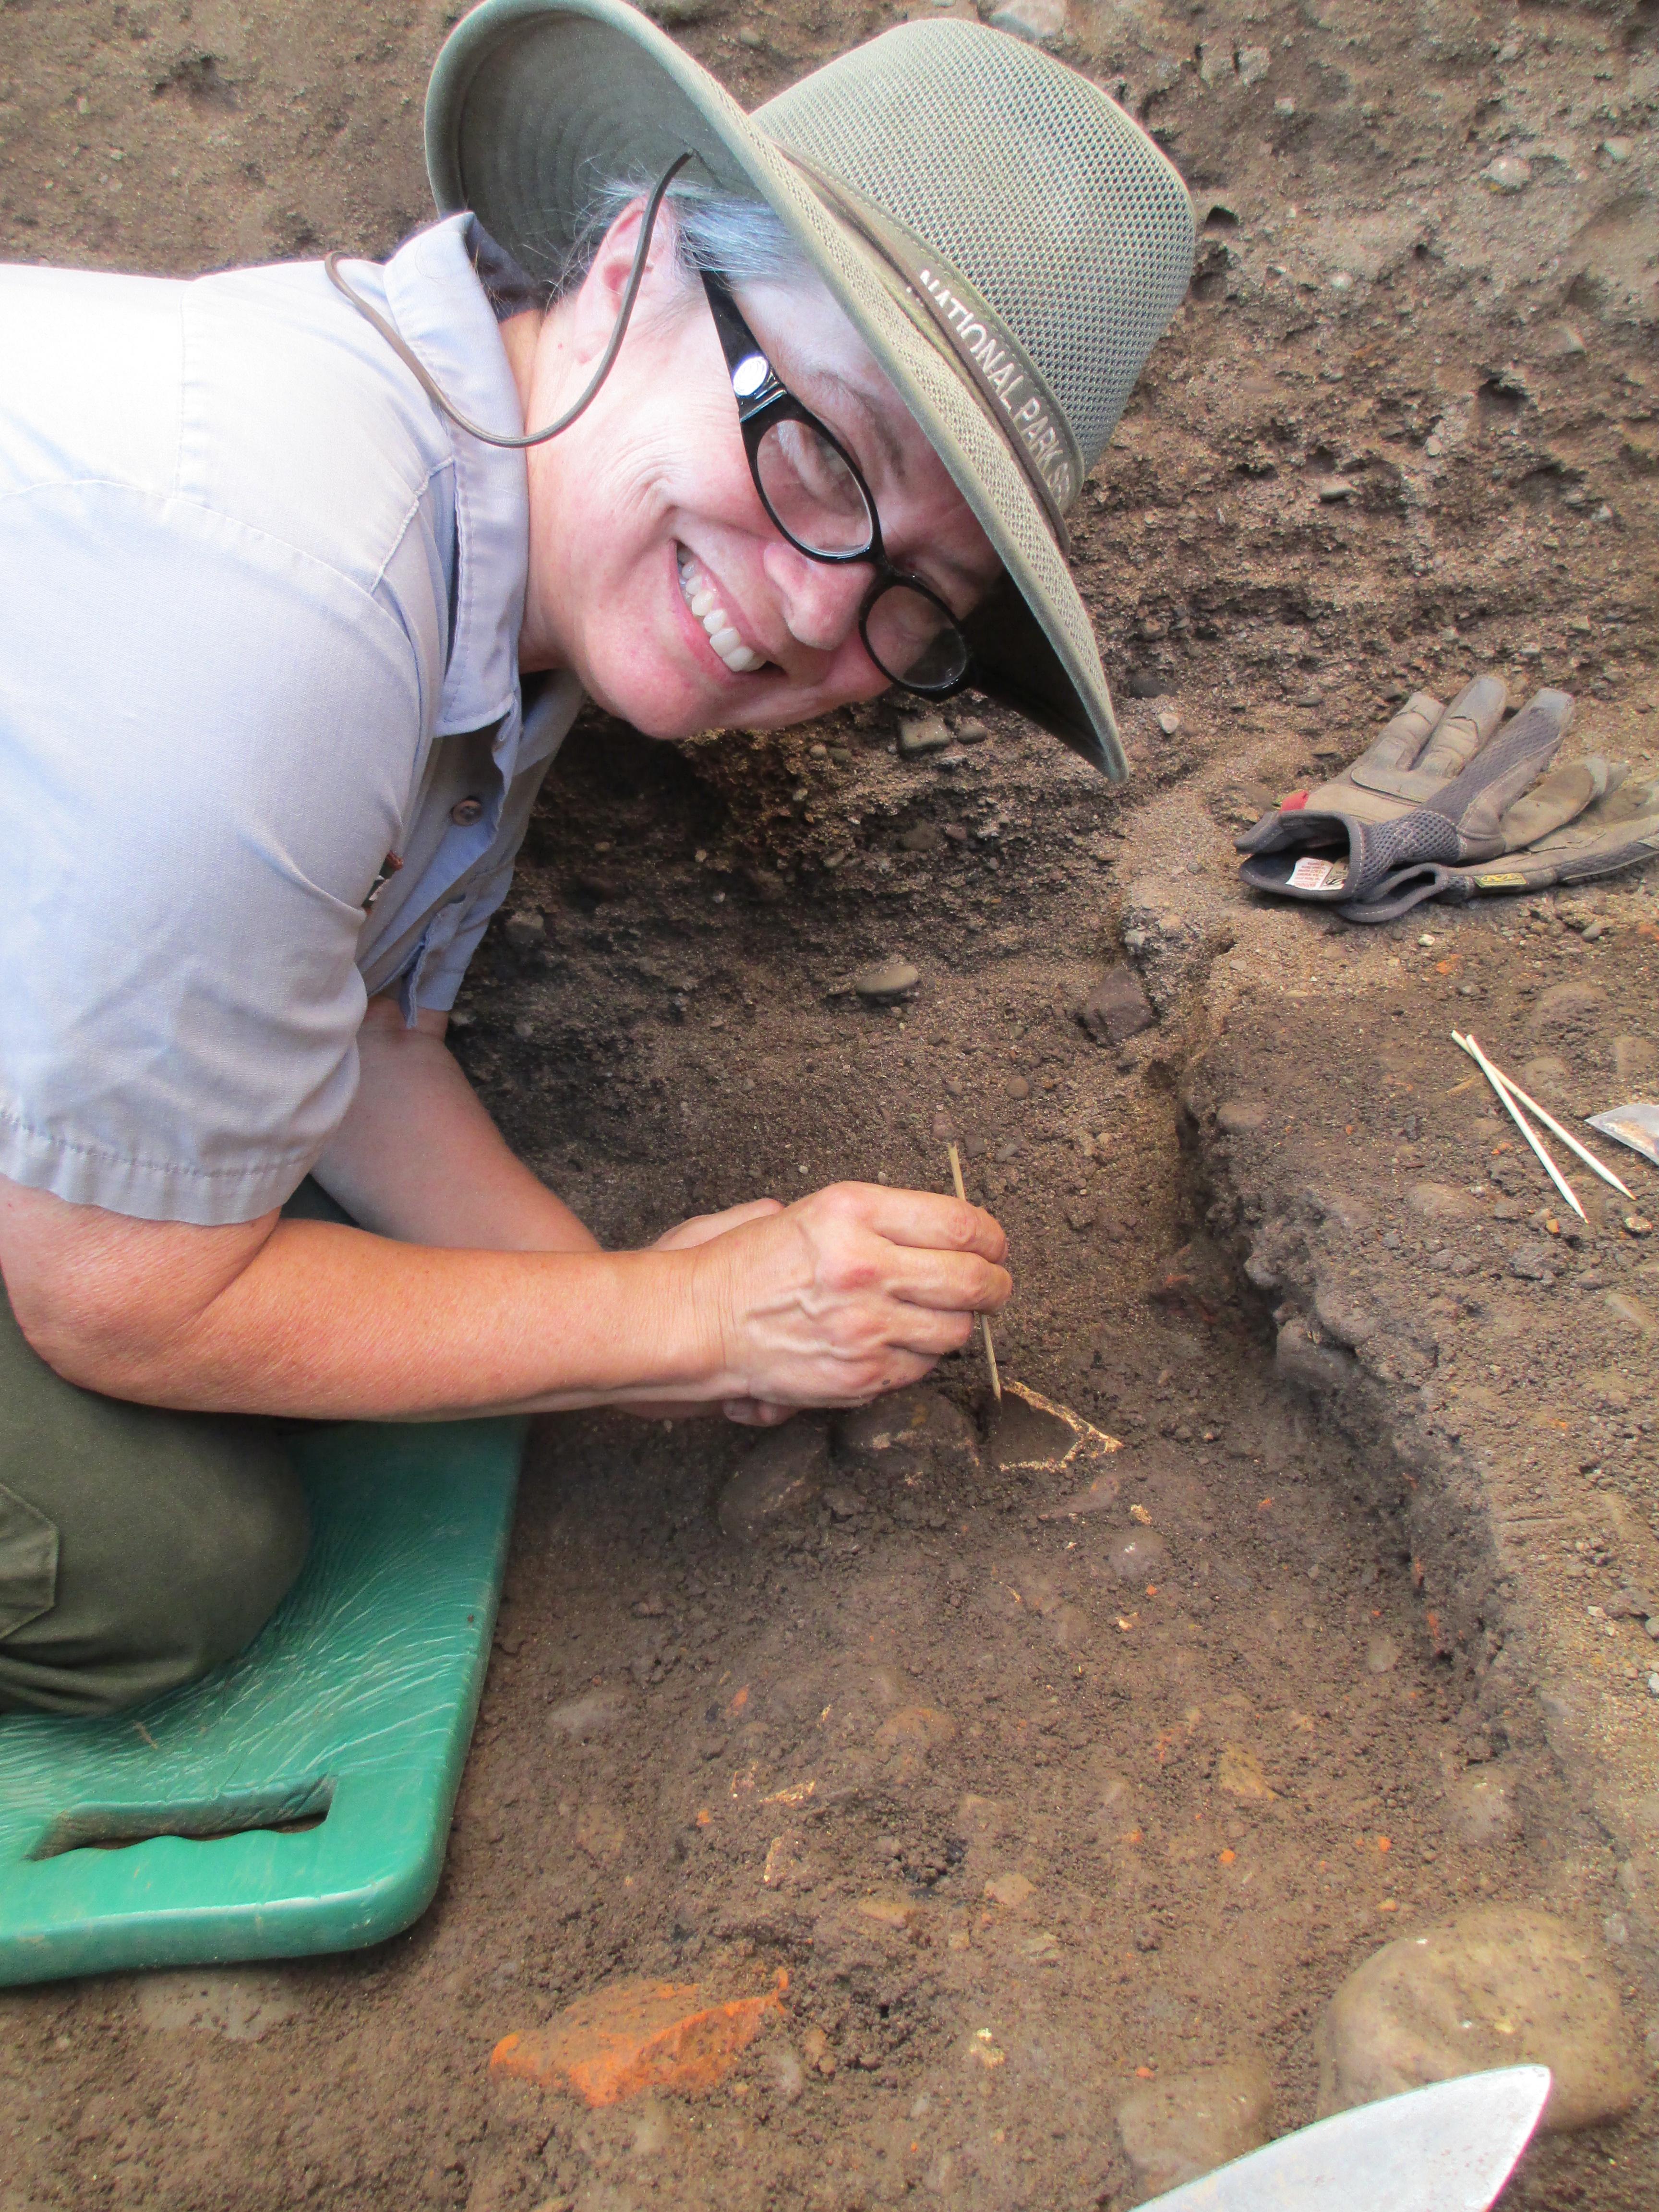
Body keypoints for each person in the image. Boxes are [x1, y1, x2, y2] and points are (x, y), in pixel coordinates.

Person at [0, 0, 1194, 1714]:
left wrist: (633, 1317)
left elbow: (345, 1023)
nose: (810, 608)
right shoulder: (300, 598)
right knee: (156, 1557)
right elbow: (121, 1305)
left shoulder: (495, 515)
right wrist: (689, 1323)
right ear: (636, 257)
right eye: (817, 445)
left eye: (915, 601)